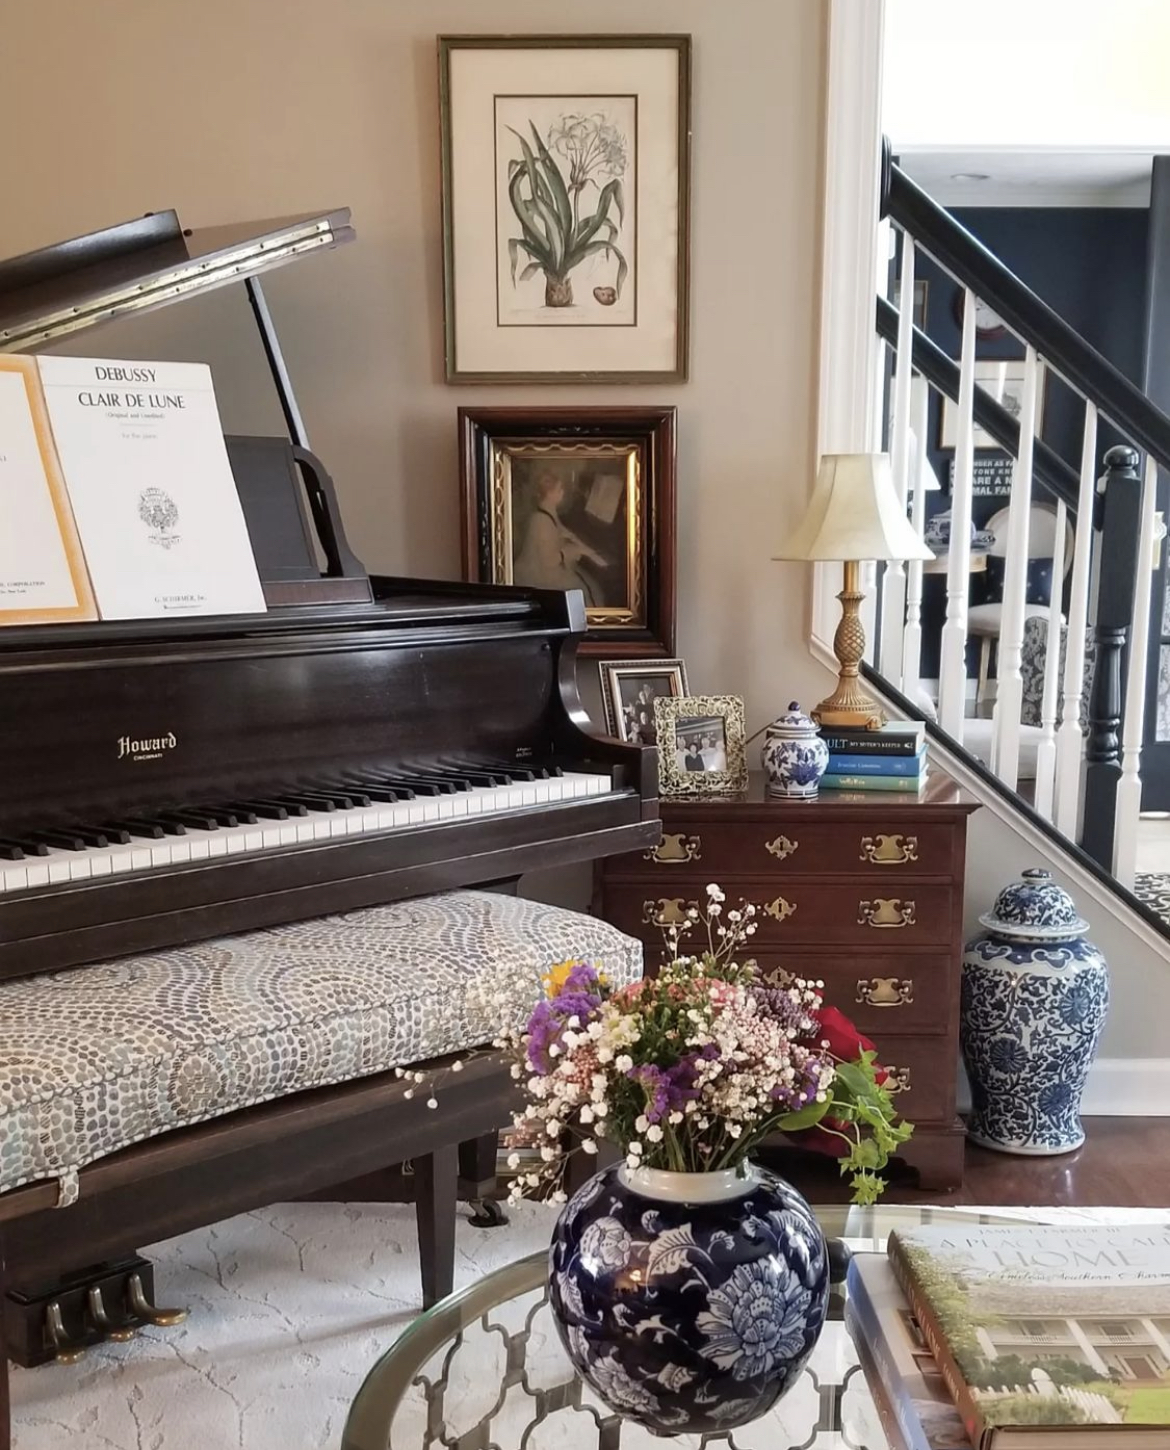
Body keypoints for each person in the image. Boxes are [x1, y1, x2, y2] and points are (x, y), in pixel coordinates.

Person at [513, 471, 608, 604]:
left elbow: (566, 533)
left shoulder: (548, 511)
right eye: (559, 489)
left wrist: (589, 552)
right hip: (539, 574)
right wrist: (574, 550)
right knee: (586, 591)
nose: (562, 492)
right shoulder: (540, 521)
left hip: (549, 568)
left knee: (591, 587)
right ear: (549, 494)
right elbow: (550, 561)